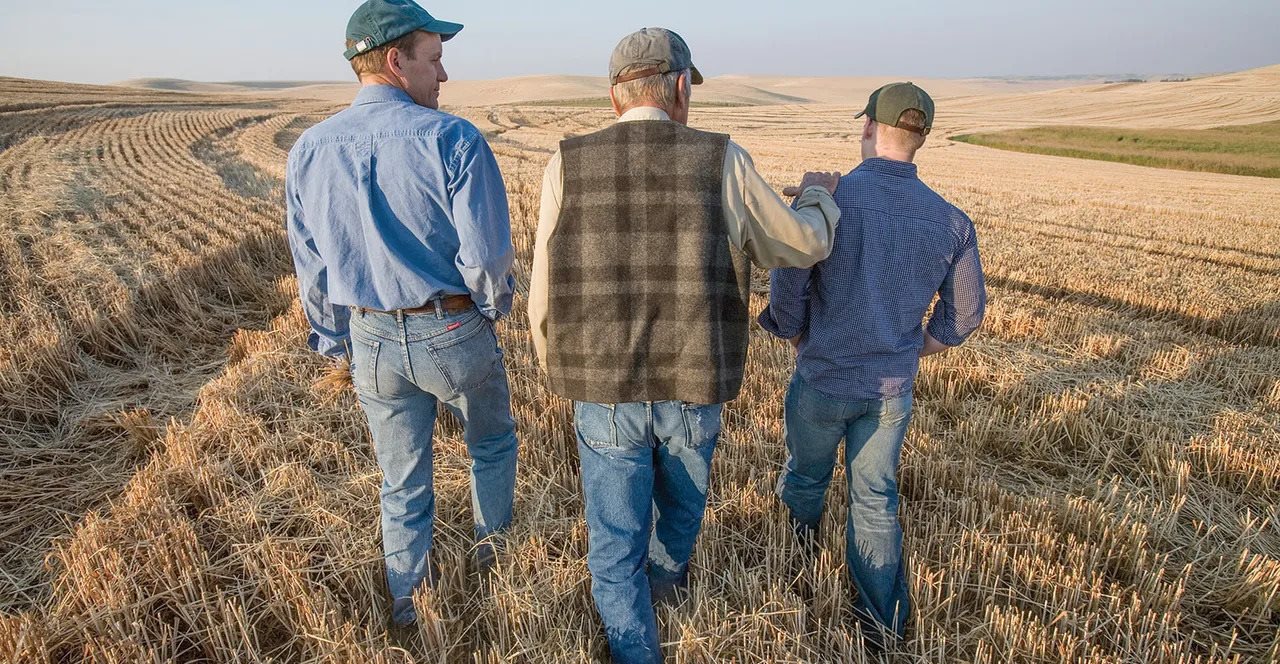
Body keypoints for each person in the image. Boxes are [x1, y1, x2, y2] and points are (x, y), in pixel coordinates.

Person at [528, 27, 843, 664]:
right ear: (678, 86)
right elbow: (802, 244)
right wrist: (820, 199)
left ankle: (634, 644)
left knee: (614, 542)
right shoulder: (721, 158)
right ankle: (667, 597)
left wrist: (555, 363)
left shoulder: (567, 161)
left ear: (614, 94)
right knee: (679, 512)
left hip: (604, 384)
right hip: (696, 378)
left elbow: (542, 289)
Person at [284, 0, 518, 628]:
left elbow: (311, 265)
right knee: (491, 446)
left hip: (370, 336)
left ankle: (408, 603)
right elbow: (488, 255)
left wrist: (336, 339)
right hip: (450, 323)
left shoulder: (308, 150)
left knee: (401, 478)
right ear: (395, 61)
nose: (443, 76)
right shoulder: (454, 138)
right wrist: (490, 312)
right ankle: (494, 571)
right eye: (435, 59)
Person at [761, 82, 987, 648]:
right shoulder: (951, 222)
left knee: (805, 480)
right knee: (876, 501)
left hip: (821, 378)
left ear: (867, 127)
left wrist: (791, 333)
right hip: (890, 391)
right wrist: (918, 347)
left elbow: (789, 284)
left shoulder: (828, 203)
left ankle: (792, 578)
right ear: (922, 139)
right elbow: (966, 314)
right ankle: (883, 627)